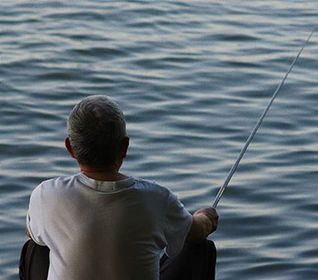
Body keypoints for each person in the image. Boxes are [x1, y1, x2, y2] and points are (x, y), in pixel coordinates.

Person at [20, 95, 218, 280]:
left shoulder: (46, 194)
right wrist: (206, 217)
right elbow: (198, 230)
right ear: (124, 147)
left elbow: (32, 232)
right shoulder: (157, 199)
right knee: (198, 244)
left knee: (37, 244)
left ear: (70, 148)